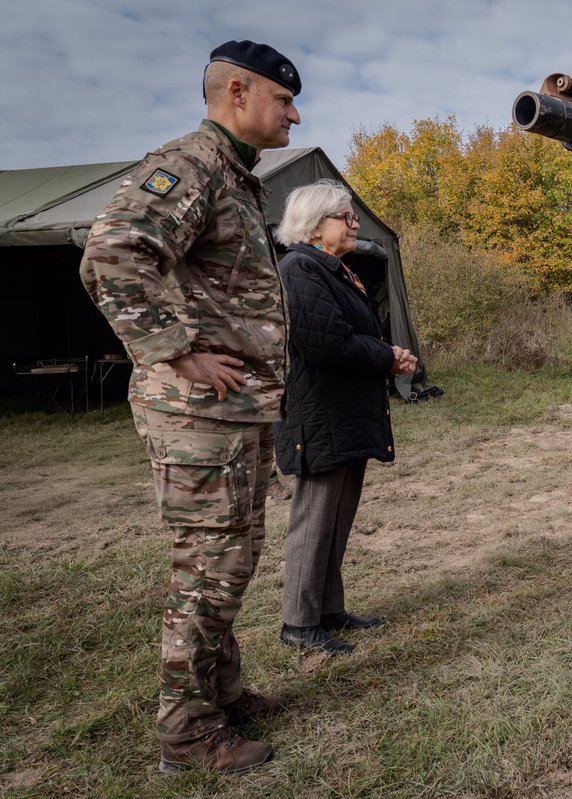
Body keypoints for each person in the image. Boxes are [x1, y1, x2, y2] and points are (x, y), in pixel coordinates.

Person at [79, 41, 302, 773]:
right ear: (237, 92)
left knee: (231, 556)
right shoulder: (194, 166)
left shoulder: (235, 178)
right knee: (209, 564)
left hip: (232, 413)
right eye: (284, 100)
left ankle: (222, 692)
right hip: (199, 412)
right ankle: (186, 728)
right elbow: (113, 252)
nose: (294, 115)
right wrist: (177, 349)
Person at [273, 180, 418, 655]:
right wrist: (386, 358)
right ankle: (298, 623)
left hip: (344, 414)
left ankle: (328, 610)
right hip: (320, 416)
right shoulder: (299, 268)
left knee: (336, 520)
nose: (355, 224)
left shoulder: (333, 270)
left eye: (353, 217)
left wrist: (384, 353)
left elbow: (348, 334)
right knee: (314, 519)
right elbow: (326, 343)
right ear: (315, 225)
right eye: (346, 216)